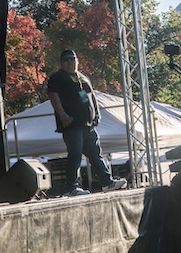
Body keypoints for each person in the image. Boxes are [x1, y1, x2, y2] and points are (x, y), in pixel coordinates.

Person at [47, 49, 126, 196]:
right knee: (75, 154)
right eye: (66, 60)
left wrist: (96, 114)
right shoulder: (57, 78)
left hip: (88, 124)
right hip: (71, 124)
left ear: (77, 61)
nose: (70, 62)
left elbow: (89, 96)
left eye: (72, 59)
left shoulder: (82, 78)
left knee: (95, 154)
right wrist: (62, 114)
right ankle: (71, 187)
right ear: (61, 62)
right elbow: (54, 97)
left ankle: (107, 182)